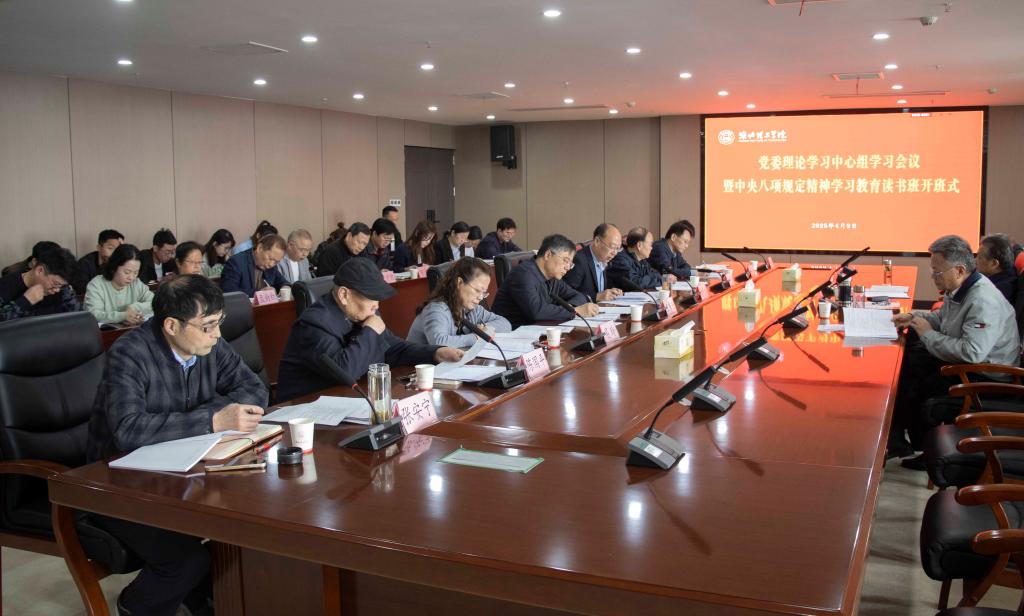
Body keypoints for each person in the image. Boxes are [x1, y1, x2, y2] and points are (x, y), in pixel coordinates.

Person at [87, 275, 268, 616]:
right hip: (119, 485)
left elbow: (254, 389)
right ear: (171, 325)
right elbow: (128, 429)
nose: (217, 334)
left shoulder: (209, 346)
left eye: (219, 322)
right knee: (186, 560)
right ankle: (135, 606)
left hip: (183, 473)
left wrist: (209, 417)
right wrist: (213, 420)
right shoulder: (130, 353)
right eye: (208, 325)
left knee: (247, 531)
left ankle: (201, 602)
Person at [887, 235, 1020, 464]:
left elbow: (972, 352)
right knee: (908, 361)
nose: (933, 276)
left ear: (959, 270)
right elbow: (943, 318)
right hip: (969, 362)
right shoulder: (961, 286)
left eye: (937, 272)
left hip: (987, 374)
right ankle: (900, 440)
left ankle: (922, 448)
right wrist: (913, 316)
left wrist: (928, 334)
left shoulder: (982, 300)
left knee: (916, 381)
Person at [276, 258, 463, 401]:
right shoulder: (314, 324)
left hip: (346, 400)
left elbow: (394, 348)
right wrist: (370, 332)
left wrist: (436, 353)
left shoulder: (362, 313)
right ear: (344, 295)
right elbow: (345, 371)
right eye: (371, 298)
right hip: (304, 409)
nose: (377, 305)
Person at [490, 233, 600, 328]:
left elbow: (578, 296)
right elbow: (537, 311)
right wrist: (575, 311)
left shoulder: (553, 277)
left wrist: (570, 308)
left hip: (536, 332)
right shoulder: (523, 275)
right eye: (565, 261)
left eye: (570, 264)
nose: (567, 267)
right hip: (510, 335)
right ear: (548, 255)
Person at [408, 257, 512, 347]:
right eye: (477, 290)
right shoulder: (436, 309)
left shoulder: (472, 309)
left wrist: (486, 329)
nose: (480, 297)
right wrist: (478, 336)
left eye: (484, 292)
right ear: (460, 282)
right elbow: (439, 342)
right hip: (416, 364)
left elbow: (505, 323)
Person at [0, 245, 79, 321]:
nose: (57, 290)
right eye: (55, 283)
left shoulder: (63, 288)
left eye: (62, 286)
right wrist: (25, 301)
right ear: (39, 270)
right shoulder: (5, 285)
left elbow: (76, 316)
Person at [84, 244, 154, 326]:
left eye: (135, 273)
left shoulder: (136, 283)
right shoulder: (96, 285)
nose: (131, 277)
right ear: (114, 267)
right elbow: (93, 315)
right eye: (126, 272)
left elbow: (155, 302)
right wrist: (123, 316)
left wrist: (135, 307)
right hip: (106, 333)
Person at [563, 223, 624, 302]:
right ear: (597, 241)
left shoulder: (605, 259)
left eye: (617, 249)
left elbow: (601, 290)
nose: (614, 253)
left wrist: (612, 292)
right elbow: (566, 293)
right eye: (612, 247)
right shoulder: (579, 260)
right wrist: (596, 297)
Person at [608, 227, 675, 290]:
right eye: (650, 244)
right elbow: (636, 283)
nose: (651, 248)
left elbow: (655, 274)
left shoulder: (642, 260)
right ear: (639, 245)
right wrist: (662, 280)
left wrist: (663, 278)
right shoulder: (621, 260)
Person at [219, 234, 287, 297]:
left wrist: (286, 288)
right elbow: (228, 290)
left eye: (276, 262)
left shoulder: (272, 267)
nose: (271, 264)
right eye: (270, 258)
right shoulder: (236, 262)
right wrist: (259, 293)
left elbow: (283, 282)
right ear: (260, 248)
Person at [73, 229, 124, 294]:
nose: (114, 253)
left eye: (117, 249)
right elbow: (81, 289)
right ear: (99, 248)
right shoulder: (85, 263)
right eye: (110, 248)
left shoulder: (120, 261)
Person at [975, 233, 1018, 303]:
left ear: (994, 263)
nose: (975, 260)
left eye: (979, 257)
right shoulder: (1009, 275)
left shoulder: (995, 293)